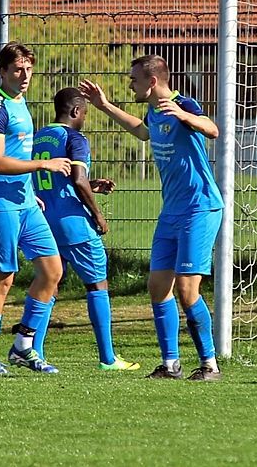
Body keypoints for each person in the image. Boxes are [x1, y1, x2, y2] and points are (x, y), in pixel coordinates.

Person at [79, 55, 224, 381]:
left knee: (188, 290)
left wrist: (187, 116)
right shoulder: (153, 111)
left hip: (199, 208)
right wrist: (104, 106)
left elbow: (212, 129)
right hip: (171, 211)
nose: (130, 84)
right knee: (158, 287)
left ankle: (210, 365)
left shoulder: (182, 103)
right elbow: (143, 132)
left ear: (152, 81)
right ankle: (170, 364)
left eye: (133, 79)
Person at [0, 42, 70, 375]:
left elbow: (16, 150)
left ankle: (23, 346)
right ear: (2, 72)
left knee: (52, 271)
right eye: (18, 69)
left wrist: (31, 191)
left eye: (29, 68)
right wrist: (42, 167)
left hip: (26, 202)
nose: (25, 75)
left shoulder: (20, 102)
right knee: (3, 278)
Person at [30, 87, 140, 371]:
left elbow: (58, 183)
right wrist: (98, 214)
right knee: (97, 284)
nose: (85, 119)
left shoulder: (40, 136)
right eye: (86, 114)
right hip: (74, 224)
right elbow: (78, 180)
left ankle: (34, 352)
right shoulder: (74, 137)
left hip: (45, 222)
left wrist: (93, 187)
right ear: (76, 111)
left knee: (49, 285)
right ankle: (108, 358)